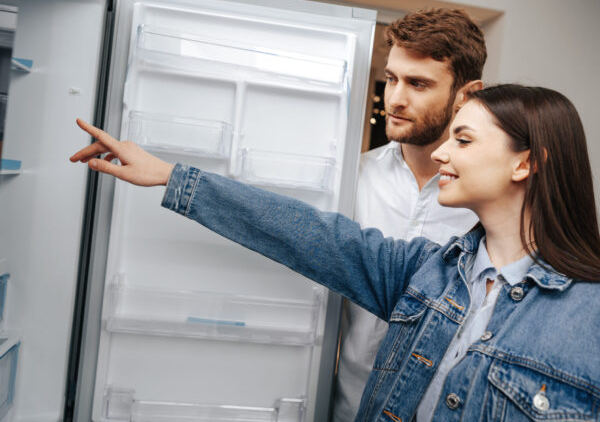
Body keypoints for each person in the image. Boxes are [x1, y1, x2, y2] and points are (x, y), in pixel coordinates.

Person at [70, 83, 600, 421]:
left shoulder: (589, 316)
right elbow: (308, 234)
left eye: (463, 140)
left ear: (525, 164)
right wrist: (171, 177)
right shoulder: (427, 274)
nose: (440, 151)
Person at [334, 8, 485, 421]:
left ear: (467, 95)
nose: (394, 98)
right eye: (392, 78)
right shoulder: (353, 178)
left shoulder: (488, 202)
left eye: (418, 83)